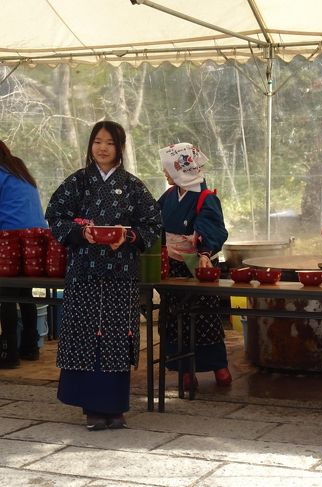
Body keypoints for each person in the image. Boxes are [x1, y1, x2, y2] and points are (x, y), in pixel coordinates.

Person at [45, 121, 162, 430]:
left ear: (119, 147)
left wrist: (129, 236)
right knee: (85, 337)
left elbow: (152, 225)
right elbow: (55, 216)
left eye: (110, 142)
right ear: (90, 145)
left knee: (114, 339)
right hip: (83, 273)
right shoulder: (78, 182)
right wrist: (81, 231)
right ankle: (92, 409)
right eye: (97, 141)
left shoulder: (134, 186)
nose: (102, 148)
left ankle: (115, 407)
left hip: (121, 277)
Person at [157, 143, 231, 391]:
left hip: (198, 264)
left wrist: (205, 252)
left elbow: (213, 228)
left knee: (205, 317)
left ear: (183, 169)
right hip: (173, 265)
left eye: (169, 169)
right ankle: (184, 371)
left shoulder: (205, 198)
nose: (166, 174)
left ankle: (219, 367)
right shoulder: (168, 197)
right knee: (175, 317)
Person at [0, 141, 48, 369]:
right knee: (24, 290)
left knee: (5, 292)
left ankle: (8, 354)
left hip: (12, 239)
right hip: (36, 240)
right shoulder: (18, 170)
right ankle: (30, 347)